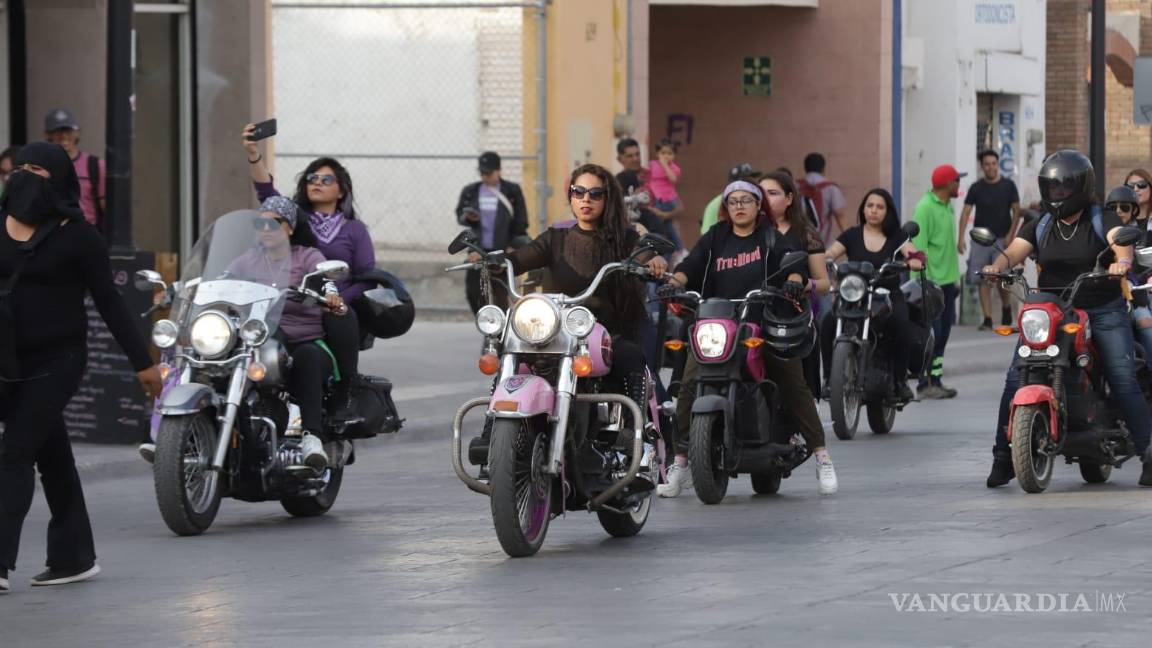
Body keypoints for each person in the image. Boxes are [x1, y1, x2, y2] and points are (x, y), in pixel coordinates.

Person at [0, 142, 162, 592]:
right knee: (52, 457)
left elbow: (111, 303)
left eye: (37, 170)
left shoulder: (80, 237)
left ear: (58, 179)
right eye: (20, 168)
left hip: (59, 360)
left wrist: (142, 364)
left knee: (15, 450)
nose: (24, 176)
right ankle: (73, 556)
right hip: (9, 362)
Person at [983, 150, 1152, 488]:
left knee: (1121, 375)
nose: (1058, 194)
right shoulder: (1043, 223)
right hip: (1052, 309)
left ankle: (1149, 454)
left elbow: (1120, 245)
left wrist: (1121, 262)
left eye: (1064, 188)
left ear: (1081, 187)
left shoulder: (1102, 218)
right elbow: (1015, 250)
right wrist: (996, 267)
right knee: (1016, 378)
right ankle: (1003, 457)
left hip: (1101, 308)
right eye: (1053, 188)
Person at [658, 180, 838, 498]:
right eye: (733, 201)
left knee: (792, 381)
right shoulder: (715, 238)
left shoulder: (770, 238)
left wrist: (795, 282)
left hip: (759, 324)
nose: (739, 206)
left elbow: (793, 264)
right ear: (725, 208)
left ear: (758, 206)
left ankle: (822, 456)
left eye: (746, 200)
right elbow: (690, 265)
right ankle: (682, 462)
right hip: (716, 326)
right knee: (686, 385)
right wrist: (675, 282)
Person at [500, 163, 667, 429]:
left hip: (606, 333)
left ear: (607, 198)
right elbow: (519, 259)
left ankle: (636, 430)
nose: (585, 199)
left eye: (595, 193)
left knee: (629, 357)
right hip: (557, 332)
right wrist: (493, 260)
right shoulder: (556, 238)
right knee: (512, 353)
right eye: (578, 192)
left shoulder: (623, 238)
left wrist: (653, 259)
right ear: (571, 196)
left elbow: (642, 252)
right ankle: (494, 430)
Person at [243, 125, 374, 417]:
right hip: (291, 299)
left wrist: (336, 297)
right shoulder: (292, 218)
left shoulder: (354, 230)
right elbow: (267, 195)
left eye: (326, 179)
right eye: (311, 178)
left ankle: (346, 389)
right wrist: (253, 154)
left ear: (341, 190)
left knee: (341, 317)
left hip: (333, 300)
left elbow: (366, 275)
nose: (317, 182)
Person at [223, 207, 347, 472]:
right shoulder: (249, 259)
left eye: (275, 224)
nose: (266, 229)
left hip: (304, 341)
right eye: (260, 224)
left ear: (289, 228)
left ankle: (312, 438)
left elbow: (326, 282)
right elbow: (223, 280)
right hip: (258, 339)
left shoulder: (307, 256)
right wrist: (192, 290)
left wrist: (331, 295)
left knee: (308, 358)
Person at [822, 188, 923, 402]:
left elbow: (913, 252)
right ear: (863, 209)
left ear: (887, 211)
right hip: (854, 293)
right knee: (827, 324)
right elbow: (831, 252)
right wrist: (823, 257)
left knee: (901, 326)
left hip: (887, 293)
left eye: (879, 207)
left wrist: (915, 260)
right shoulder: (851, 234)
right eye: (870, 206)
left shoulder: (897, 236)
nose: (874, 210)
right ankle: (829, 380)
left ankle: (899, 381)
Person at [759, 170, 830, 395]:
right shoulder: (752, 230)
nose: (765, 199)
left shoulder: (805, 233)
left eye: (772, 193)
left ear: (789, 198)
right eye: (761, 193)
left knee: (796, 383)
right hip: (755, 308)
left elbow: (825, 284)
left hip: (792, 314)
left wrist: (804, 285)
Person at [912, 164, 965, 399]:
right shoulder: (924, 209)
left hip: (947, 282)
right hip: (930, 283)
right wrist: (919, 285)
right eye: (957, 181)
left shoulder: (947, 205)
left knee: (943, 336)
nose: (959, 185)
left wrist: (955, 279)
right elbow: (919, 248)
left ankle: (936, 379)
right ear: (947, 184)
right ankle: (924, 383)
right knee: (932, 335)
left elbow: (947, 248)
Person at [454, 151, 529, 313]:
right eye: (482, 173)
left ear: (498, 170)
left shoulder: (512, 191)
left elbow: (521, 222)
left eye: (488, 173)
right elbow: (460, 216)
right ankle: (487, 326)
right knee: (473, 291)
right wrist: (469, 218)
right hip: (477, 250)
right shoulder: (471, 191)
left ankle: (500, 332)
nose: (485, 177)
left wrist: (510, 248)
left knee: (501, 292)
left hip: (502, 250)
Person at [957, 150, 1021, 331]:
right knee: (983, 278)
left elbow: (1017, 211)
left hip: (1002, 239)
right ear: (982, 166)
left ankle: (1006, 307)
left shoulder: (1008, 186)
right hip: (980, 240)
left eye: (993, 163)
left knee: (1002, 278)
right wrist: (961, 237)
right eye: (987, 164)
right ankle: (987, 318)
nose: (990, 167)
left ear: (997, 164)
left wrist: (1011, 235)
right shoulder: (976, 188)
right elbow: (966, 212)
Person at [1103, 185, 1152, 370]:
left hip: (1134, 295)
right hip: (1104, 297)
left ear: (1133, 210)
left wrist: (1143, 279)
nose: (1118, 211)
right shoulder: (1101, 231)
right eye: (1113, 207)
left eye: (1124, 207)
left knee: (1145, 321)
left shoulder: (1140, 234)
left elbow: (1143, 264)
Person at [43, 108, 105, 232]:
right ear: (47, 135)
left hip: (87, 234)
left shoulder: (95, 165)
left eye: (68, 130)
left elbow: (106, 206)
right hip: (53, 234)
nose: (63, 136)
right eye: (58, 131)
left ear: (77, 132)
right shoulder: (42, 166)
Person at [797, 152, 851, 249]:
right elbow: (841, 218)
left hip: (799, 245)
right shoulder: (831, 188)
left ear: (805, 168)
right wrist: (852, 243)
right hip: (824, 247)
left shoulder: (795, 187)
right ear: (823, 169)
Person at [700, 163, 762, 234]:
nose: (753, 181)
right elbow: (706, 234)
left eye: (753, 178)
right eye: (747, 179)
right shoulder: (717, 203)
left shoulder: (757, 199)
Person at [648, 139, 685, 254]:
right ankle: (676, 248)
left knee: (663, 226)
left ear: (674, 155)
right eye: (663, 153)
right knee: (666, 227)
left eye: (669, 153)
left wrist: (664, 165)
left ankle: (678, 248)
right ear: (657, 154)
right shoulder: (652, 165)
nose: (666, 156)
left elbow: (673, 178)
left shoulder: (674, 168)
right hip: (655, 199)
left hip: (667, 201)